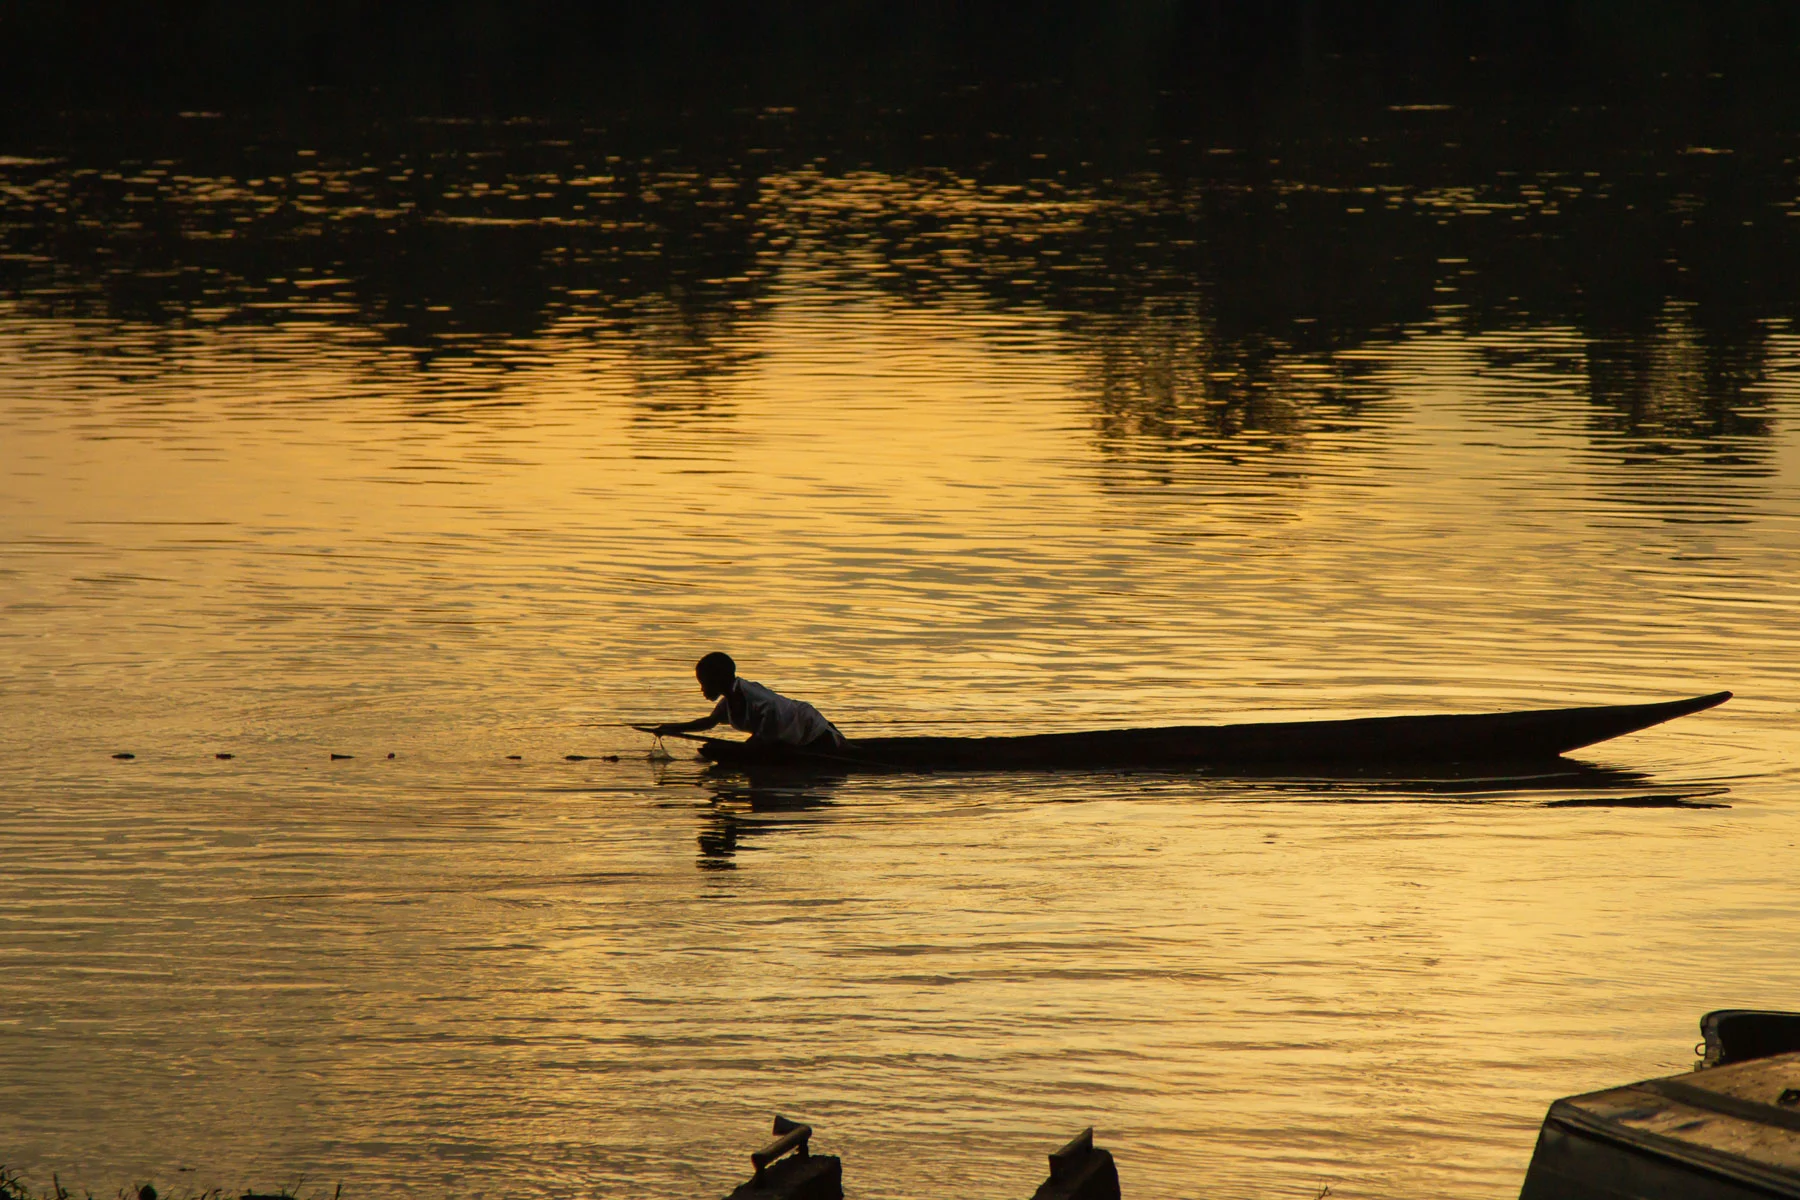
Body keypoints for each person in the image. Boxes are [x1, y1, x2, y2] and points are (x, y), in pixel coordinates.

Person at [652, 652, 847, 751]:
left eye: (704, 683)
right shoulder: (729, 700)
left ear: (719, 680)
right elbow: (708, 722)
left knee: (844, 752)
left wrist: (728, 751)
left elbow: (760, 742)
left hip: (813, 731)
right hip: (791, 737)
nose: (702, 689)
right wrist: (670, 729)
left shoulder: (761, 703)